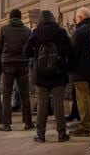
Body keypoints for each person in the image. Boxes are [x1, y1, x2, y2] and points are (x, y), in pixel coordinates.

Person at [24, 10, 72, 143]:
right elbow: (70, 51)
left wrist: (36, 56)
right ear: (53, 19)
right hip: (58, 74)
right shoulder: (61, 32)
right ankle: (62, 134)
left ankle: (40, 134)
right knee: (59, 105)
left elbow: (26, 51)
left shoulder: (36, 33)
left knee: (41, 105)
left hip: (41, 75)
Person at [0, 9, 34, 131]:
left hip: (7, 64)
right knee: (24, 93)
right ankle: (28, 122)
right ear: (20, 17)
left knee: (7, 94)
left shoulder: (3, 30)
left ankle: (6, 124)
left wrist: (0, 65)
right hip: (23, 64)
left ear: (10, 17)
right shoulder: (27, 31)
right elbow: (30, 49)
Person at [69, 7, 90, 137]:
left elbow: (73, 53)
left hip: (81, 71)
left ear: (80, 18)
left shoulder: (79, 32)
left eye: (76, 18)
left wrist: (70, 67)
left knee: (83, 99)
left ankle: (84, 126)